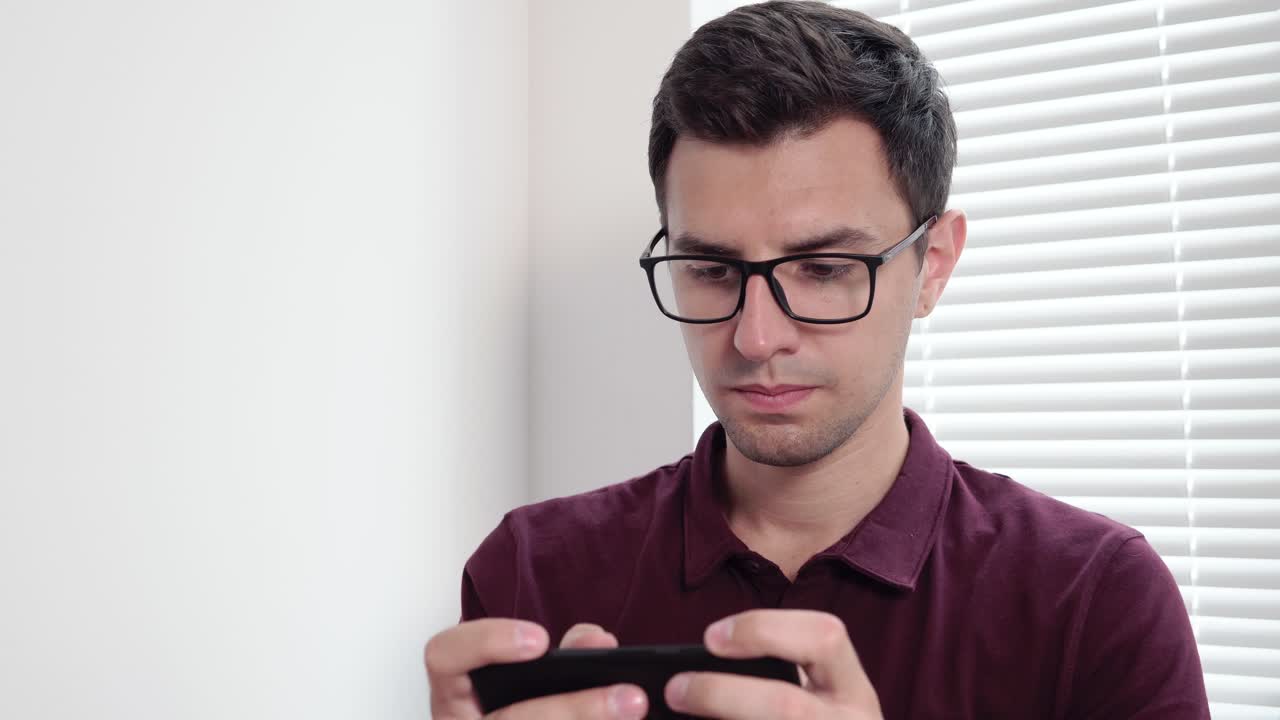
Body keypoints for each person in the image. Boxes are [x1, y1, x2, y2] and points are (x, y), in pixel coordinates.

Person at [425, 2, 1210, 718]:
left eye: (826, 269)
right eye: (711, 269)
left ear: (933, 266)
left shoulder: (1097, 598)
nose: (756, 338)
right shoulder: (530, 571)